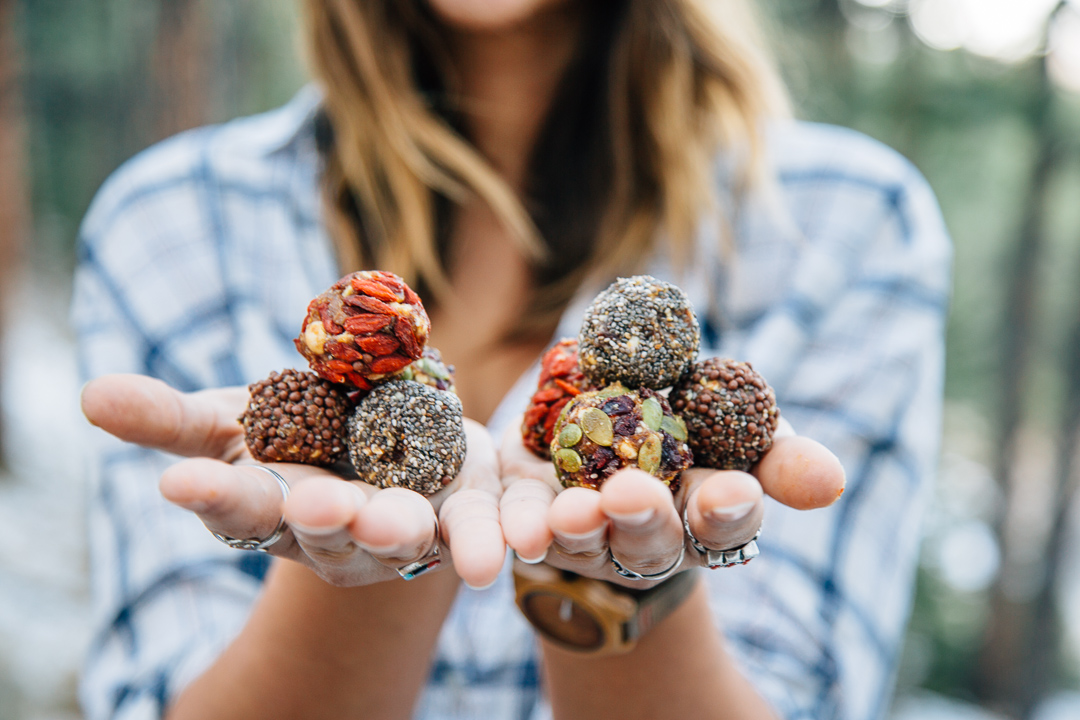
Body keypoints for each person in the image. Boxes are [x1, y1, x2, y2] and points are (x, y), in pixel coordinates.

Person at [73, 1, 951, 719]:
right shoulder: (173, 221)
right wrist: (377, 540)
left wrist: (622, 585)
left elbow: (809, 693)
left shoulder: (848, 222)